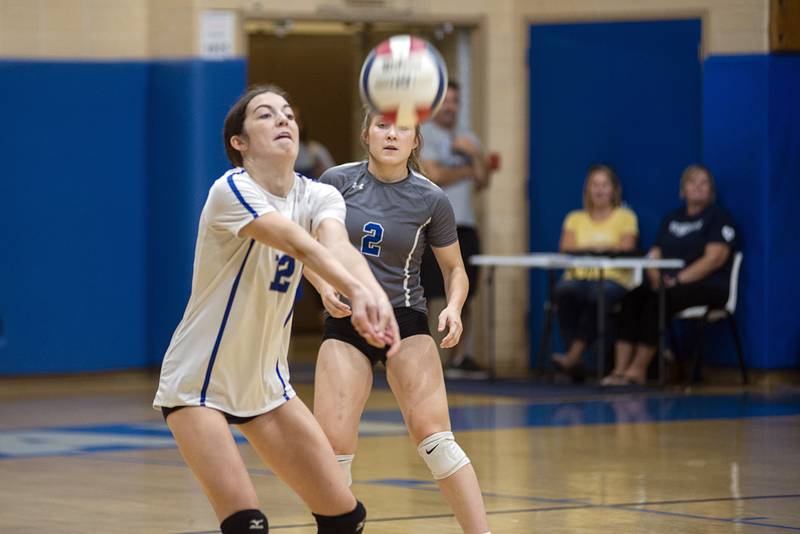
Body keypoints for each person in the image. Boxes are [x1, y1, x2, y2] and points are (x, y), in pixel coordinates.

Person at [153, 85, 400, 534]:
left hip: (267, 383)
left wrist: (369, 291)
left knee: (346, 518)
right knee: (249, 524)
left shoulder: (319, 195)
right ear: (239, 143)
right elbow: (293, 240)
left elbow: (335, 244)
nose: (284, 120)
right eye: (266, 115)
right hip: (199, 380)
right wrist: (352, 287)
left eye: (288, 113)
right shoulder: (231, 190)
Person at [306, 109, 491, 534]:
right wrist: (322, 285)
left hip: (404, 319)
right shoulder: (335, 182)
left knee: (438, 443)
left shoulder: (431, 198)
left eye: (402, 128)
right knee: (332, 449)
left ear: (415, 140)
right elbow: (307, 248)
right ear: (365, 133)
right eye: (383, 126)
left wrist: (454, 308)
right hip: (347, 320)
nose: (391, 135)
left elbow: (455, 270)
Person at [602, 164, 738, 386]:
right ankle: (619, 370)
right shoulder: (671, 218)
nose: (698, 187)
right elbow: (654, 253)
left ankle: (638, 370)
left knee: (659, 300)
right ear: (682, 190)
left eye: (704, 183)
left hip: (708, 285)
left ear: (712, 191)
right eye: (692, 182)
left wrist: (678, 280)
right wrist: (655, 277)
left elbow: (715, 258)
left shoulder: (718, 217)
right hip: (670, 284)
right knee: (633, 298)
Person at [419, 80, 493, 379]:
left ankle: (461, 358)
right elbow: (434, 175)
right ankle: (428, 357)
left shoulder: (468, 138)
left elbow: (484, 179)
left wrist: (473, 155)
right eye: (445, 101)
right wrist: (468, 168)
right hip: (432, 226)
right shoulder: (423, 133)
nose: (450, 107)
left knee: (465, 294)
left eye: (454, 101)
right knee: (430, 292)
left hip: (466, 225)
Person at [551, 164, 639, 381]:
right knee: (563, 290)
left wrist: (588, 248)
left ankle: (573, 356)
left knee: (599, 293)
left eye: (604, 185)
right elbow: (566, 247)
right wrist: (604, 247)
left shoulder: (625, 217)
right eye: (594, 185)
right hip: (579, 277)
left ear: (613, 190)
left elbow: (626, 248)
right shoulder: (575, 218)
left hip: (613, 279)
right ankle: (575, 358)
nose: (599, 190)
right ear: (587, 190)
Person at [294, 109, 336, 179]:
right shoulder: (273, 151)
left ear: (301, 124)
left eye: (296, 121)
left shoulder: (315, 150)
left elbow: (333, 175)